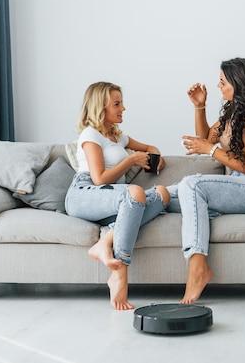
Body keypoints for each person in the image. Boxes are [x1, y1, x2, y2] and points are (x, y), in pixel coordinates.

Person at [174, 57, 245, 304]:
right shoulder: (232, 112)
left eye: (222, 82)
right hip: (238, 186)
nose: (218, 86)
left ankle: (198, 267)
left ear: (238, 83)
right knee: (164, 194)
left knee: (191, 185)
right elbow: (206, 138)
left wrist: (209, 150)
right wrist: (200, 107)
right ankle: (114, 231)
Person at [65, 81, 169, 310]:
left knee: (162, 194)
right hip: (86, 194)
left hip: (115, 200)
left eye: (121, 103)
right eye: (117, 104)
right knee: (135, 193)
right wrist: (131, 160)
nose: (123, 108)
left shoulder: (117, 137)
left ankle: (104, 242)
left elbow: (150, 147)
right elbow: (99, 178)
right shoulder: (90, 134)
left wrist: (156, 156)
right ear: (100, 107)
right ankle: (120, 273)